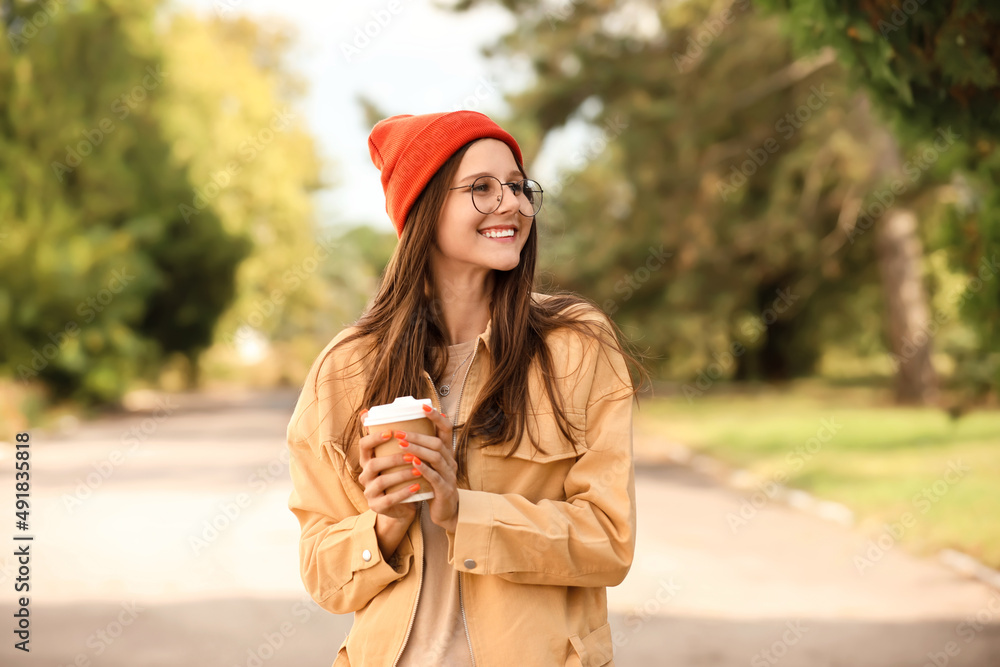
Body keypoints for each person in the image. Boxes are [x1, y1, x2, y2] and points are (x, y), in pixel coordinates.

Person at [286, 110, 648, 667]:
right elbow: (324, 578)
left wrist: (464, 512)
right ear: (424, 208)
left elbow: (608, 542)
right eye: (481, 188)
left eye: (517, 186)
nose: (512, 203)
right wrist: (384, 526)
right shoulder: (347, 369)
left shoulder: (574, 346)